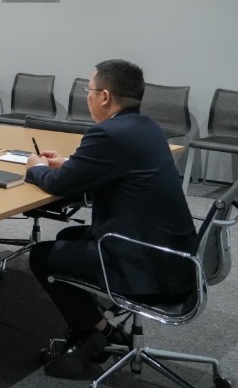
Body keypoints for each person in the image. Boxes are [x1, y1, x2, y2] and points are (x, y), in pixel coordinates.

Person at [26, 60, 197, 378]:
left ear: (104, 96)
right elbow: (112, 166)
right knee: (67, 238)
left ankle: (99, 332)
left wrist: (35, 167)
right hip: (175, 255)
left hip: (147, 265)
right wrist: (69, 162)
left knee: (41, 256)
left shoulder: (106, 133)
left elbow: (58, 184)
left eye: (88, 90)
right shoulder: (145, 126)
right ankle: (95, 327)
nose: (87, 96)